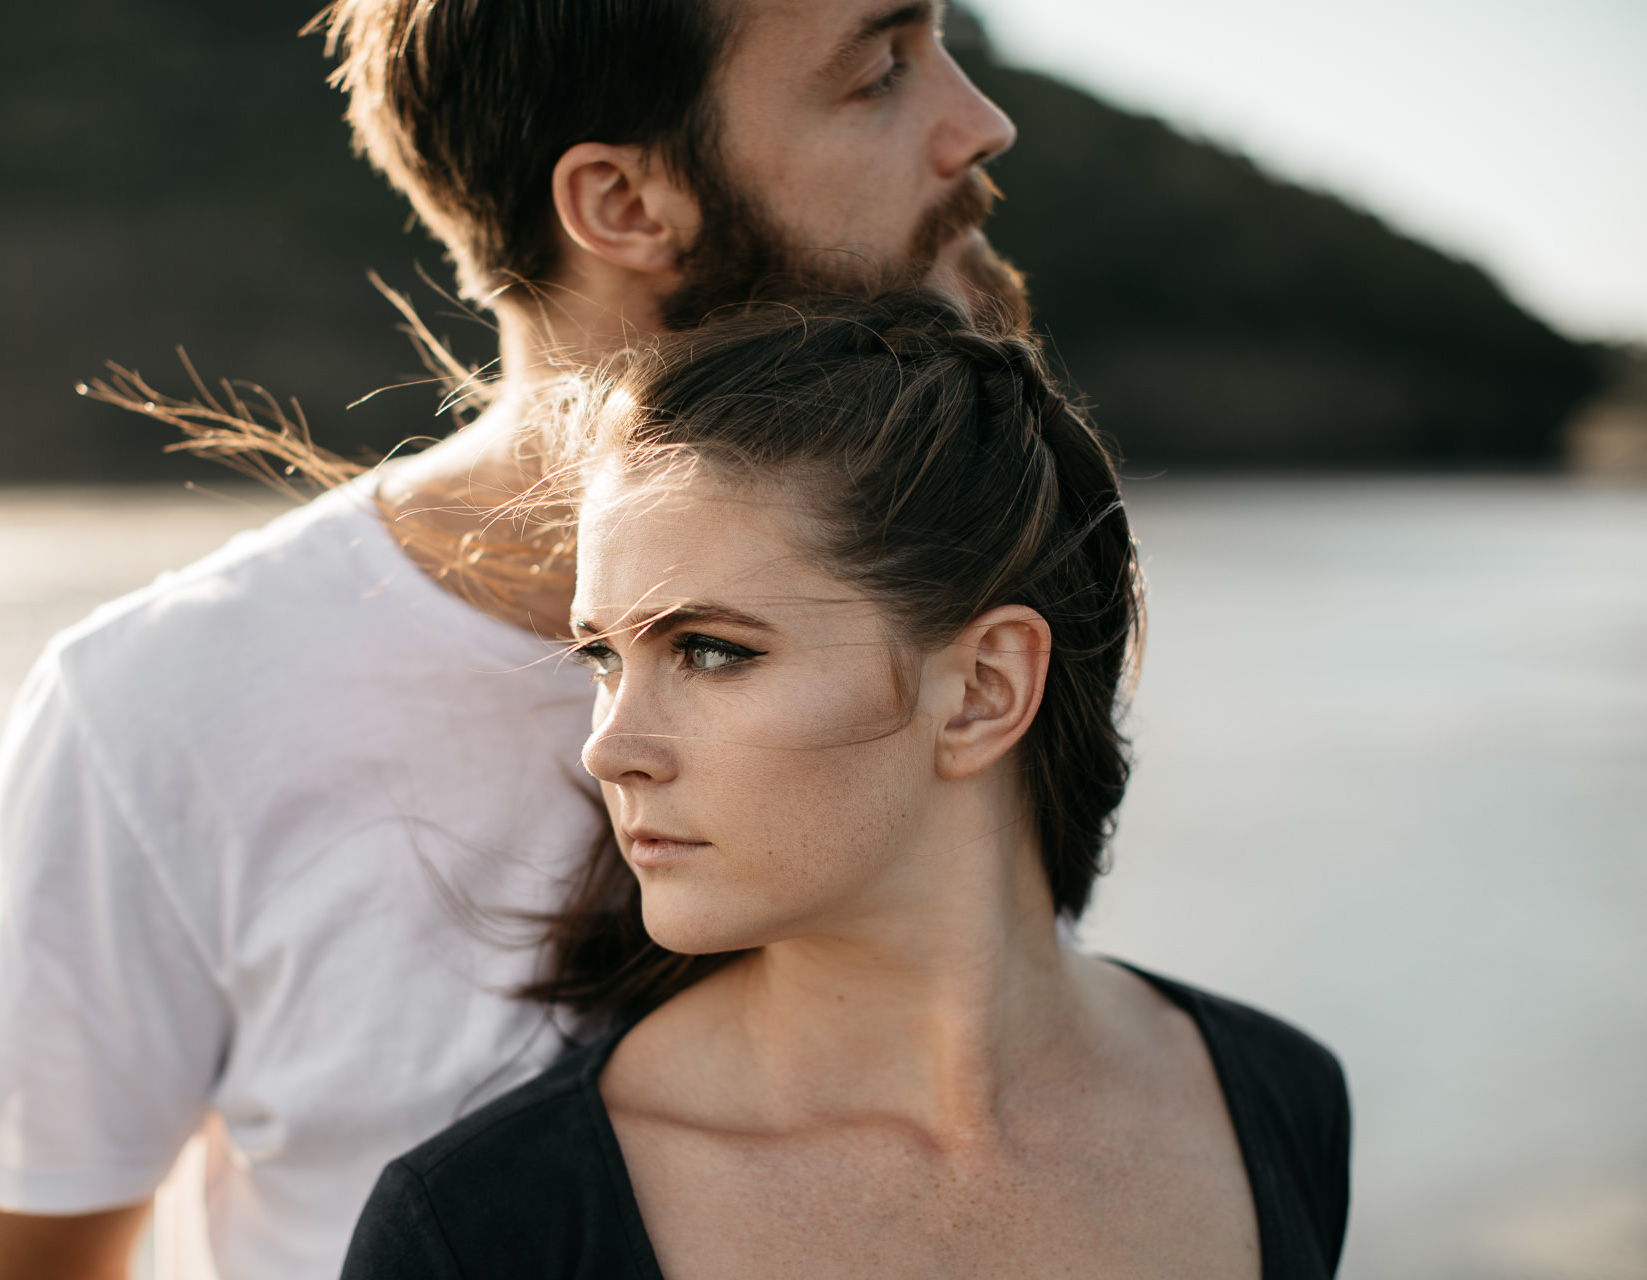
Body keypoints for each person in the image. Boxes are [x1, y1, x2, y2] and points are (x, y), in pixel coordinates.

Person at [0, 1, 1025, 1277]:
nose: (980, 123)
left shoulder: (969, 614)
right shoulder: (159, 705)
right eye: (880, 71)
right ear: (625, 203)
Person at [342, 290, 1352, 1278]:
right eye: (602, 657)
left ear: (982, 691)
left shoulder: (1274, 1098)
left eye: (710, 650)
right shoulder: (486, 1228)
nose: (609, 748)